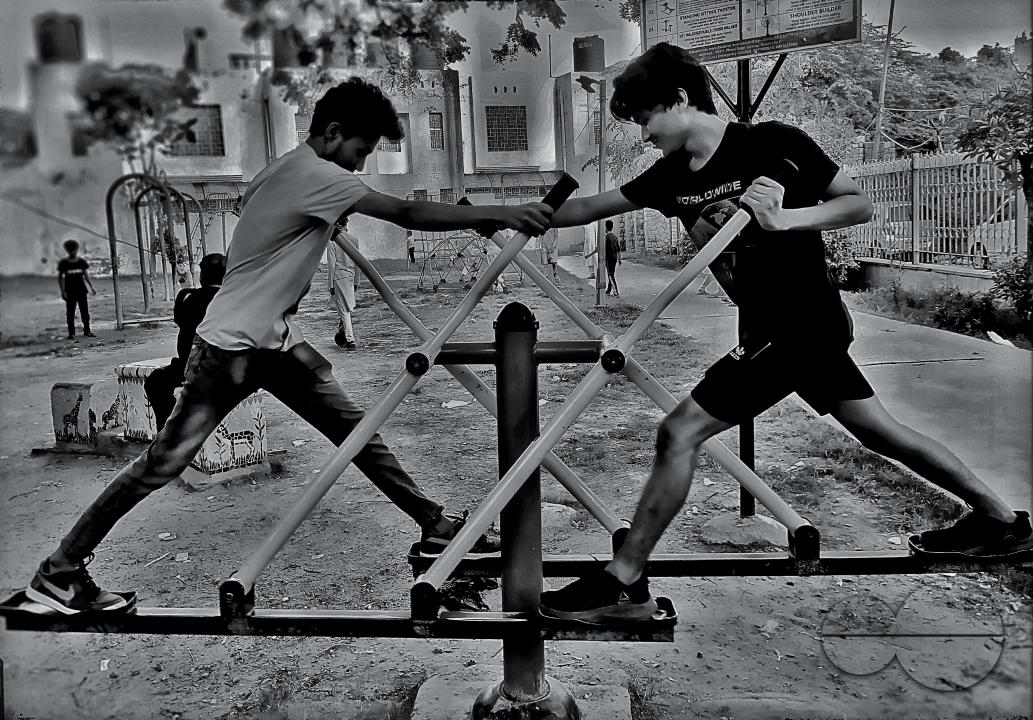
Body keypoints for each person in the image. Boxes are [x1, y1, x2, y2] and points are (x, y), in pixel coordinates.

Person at [538, 42, 1032, 624]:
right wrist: (501, 215)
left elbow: (858, 203)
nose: (644, 134)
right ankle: (1001, 520)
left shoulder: (774, 143)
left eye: (647, 119)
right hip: (779, 327)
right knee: (879, 432)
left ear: (677, 100)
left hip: (800, 323)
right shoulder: (674, 174)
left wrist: (784, 219)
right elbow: (591, 207)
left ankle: (624, 580)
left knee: (679, 431)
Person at [24, 77, 552, 614]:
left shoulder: (277, 171)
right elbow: (409, 214)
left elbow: (278, 222)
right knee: (163, 462)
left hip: (274, 342)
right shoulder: (320, 176)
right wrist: (501, 213)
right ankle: (60, 571)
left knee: (357, 429)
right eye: (359, 152)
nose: (359, 167)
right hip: (231, 348)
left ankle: (432, 522)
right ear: (333, 131)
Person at [144, 253, 226, 431]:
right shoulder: (231, 299)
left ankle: (166, 430)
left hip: (194, 367)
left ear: (202, 274)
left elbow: (180, 318)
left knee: (156, 381)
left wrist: (188, 287)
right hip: (222, 366)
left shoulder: (190, 297)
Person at [328, 216, 359, 351]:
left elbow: (332, 265)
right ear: (346, 223)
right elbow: (358, 262)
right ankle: (342, 332)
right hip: (350, 278)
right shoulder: (354, 240)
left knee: (344, 310)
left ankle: (350, 340)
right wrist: (357, 280)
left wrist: (330, 285)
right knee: (347, 307)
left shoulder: (332, 241)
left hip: (339, 278)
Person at [58, 239, 97, 339]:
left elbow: (86, 275)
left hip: (81, 290)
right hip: (70, 291)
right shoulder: (64, 264)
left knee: (85, 312)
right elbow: (60, 278)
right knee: (70, 313)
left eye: (74, 250)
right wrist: (63, 292)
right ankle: (71, 333)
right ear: (67, 251)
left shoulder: (81, 262)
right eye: (70, 250)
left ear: (76, 250)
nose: (73, 252)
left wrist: (91, 287)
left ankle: (87, 331)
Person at [604, 219, 621, 297]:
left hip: (609, 258)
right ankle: (608, 290)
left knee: (610, 275)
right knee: (611, 273)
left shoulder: (606, 238)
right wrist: (619, 259)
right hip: (614, 257)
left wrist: (604, 259)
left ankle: (616, 291)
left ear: (606, 228)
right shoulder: (615, 237)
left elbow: (604, 250)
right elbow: (618, 249)